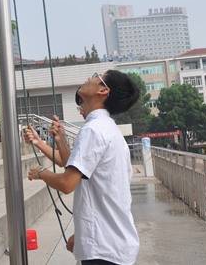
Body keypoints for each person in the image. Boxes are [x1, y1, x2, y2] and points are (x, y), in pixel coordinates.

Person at [27, 70, 141, 265]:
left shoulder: (94, 129)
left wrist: (40, 173)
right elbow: (74, 165)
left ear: (103, 90)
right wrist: (83, 236)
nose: (89, 78)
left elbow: (67, 183)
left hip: (104, 250)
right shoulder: (106, 127)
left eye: (97, 76)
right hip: (110, 243)